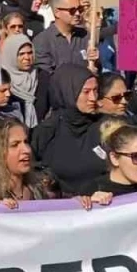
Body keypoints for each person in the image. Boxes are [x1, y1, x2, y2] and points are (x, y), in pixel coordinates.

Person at [31, 64, 110, 197]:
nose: (93, 98)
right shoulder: (47, 131)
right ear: (68, 92)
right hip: (64, 207)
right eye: (86, 92)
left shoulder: (105, 126)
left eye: (95, 90)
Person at [33, 0, 95, 74]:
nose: (77, 13)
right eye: (72, 10)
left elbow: (96, 68)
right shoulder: (42, 41)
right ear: (57, 12)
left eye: (80, 9)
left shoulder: (85, 35)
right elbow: (45, 75)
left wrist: (95, 63)